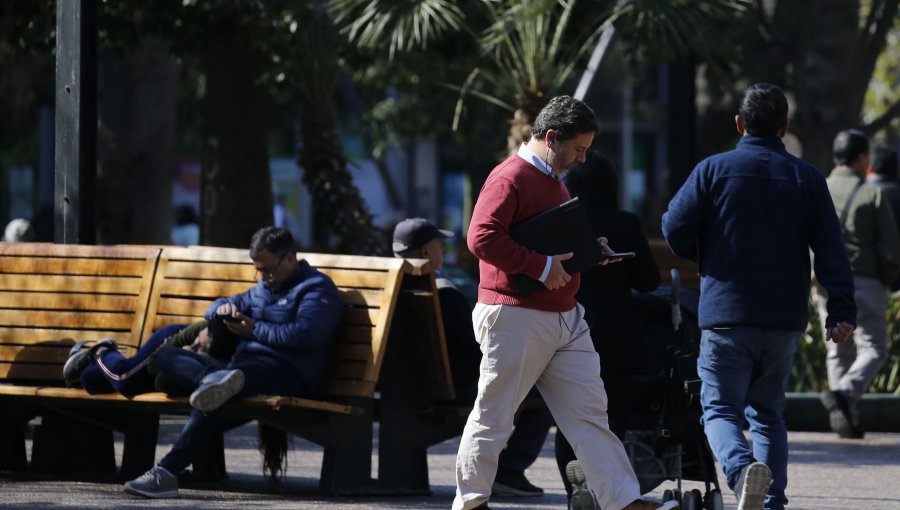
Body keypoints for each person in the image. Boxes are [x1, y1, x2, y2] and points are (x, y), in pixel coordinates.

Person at [455, 95, 675, 510]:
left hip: (559, 316)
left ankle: (622, 501)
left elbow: (545, 238)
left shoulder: (552, 179)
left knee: (590, 414)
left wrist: (591, 249)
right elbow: (480, 238)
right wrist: (540, 267)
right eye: (578, 149)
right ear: (552, 138)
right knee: (495, 416)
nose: (582, 159)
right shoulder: (511, 176)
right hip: (515, 314)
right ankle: (469, 503)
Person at [662, 83, 857, 510]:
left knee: (719, 409)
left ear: (739, 123)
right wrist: (840, 310)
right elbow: (831, 250)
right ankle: (770, 502)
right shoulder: (807, 178)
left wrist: (706, 250)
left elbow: (673, 226)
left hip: (726, 315)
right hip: (783, 320)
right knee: (768, 415)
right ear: (784, 127)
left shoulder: (713, 170)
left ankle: (740, 470)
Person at [123, 226, 343, 498]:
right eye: (258, 270)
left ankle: (167, 471)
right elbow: (218, 305)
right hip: (239, 371)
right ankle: (210, 382)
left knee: (217, 395)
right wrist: (222, 309)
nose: (262, 277)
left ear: (289, 258)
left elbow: (306, 334)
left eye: (267, 270)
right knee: (169, 357)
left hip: (286, 374)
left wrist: (255, 331)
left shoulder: (316, 289)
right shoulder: (262, 289)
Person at [392, 217, 554, 498]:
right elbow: (474, 348)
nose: (442, 252)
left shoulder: (396, 288)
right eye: (439, 247)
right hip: (454, 387)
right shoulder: (444, 293)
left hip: (410, 386)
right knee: (544, 389)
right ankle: (509, 470)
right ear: (426, 253)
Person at [556, 151, 661, 504]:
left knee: (566, 419)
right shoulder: (625, 223)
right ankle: (606, 491)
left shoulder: (561, 224)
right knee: (611, 417)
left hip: (567, 331)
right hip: (617, 337)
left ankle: (576, 490)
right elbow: (648, 281)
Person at [816, 131, 900, 439]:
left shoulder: (819, 187)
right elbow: (889, 248)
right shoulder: (871, 194)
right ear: (863, 158)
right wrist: (889, 278)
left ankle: (845, 418)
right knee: (874, 348)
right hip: (865, 280)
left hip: (826, 281)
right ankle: (845, 395)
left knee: (838, 350)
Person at [62, 320, 226, 397]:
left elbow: (161, 382)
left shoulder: (220, 359)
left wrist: (189, 356)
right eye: (197, 340)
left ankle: (90, 363)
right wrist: (185, 351)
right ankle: (102, 351)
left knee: (90, 380)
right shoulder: (188, 336)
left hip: (171, 369)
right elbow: (154, 365)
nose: (194, 346)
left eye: (201, 349)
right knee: (124, 379)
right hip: (169, 343)